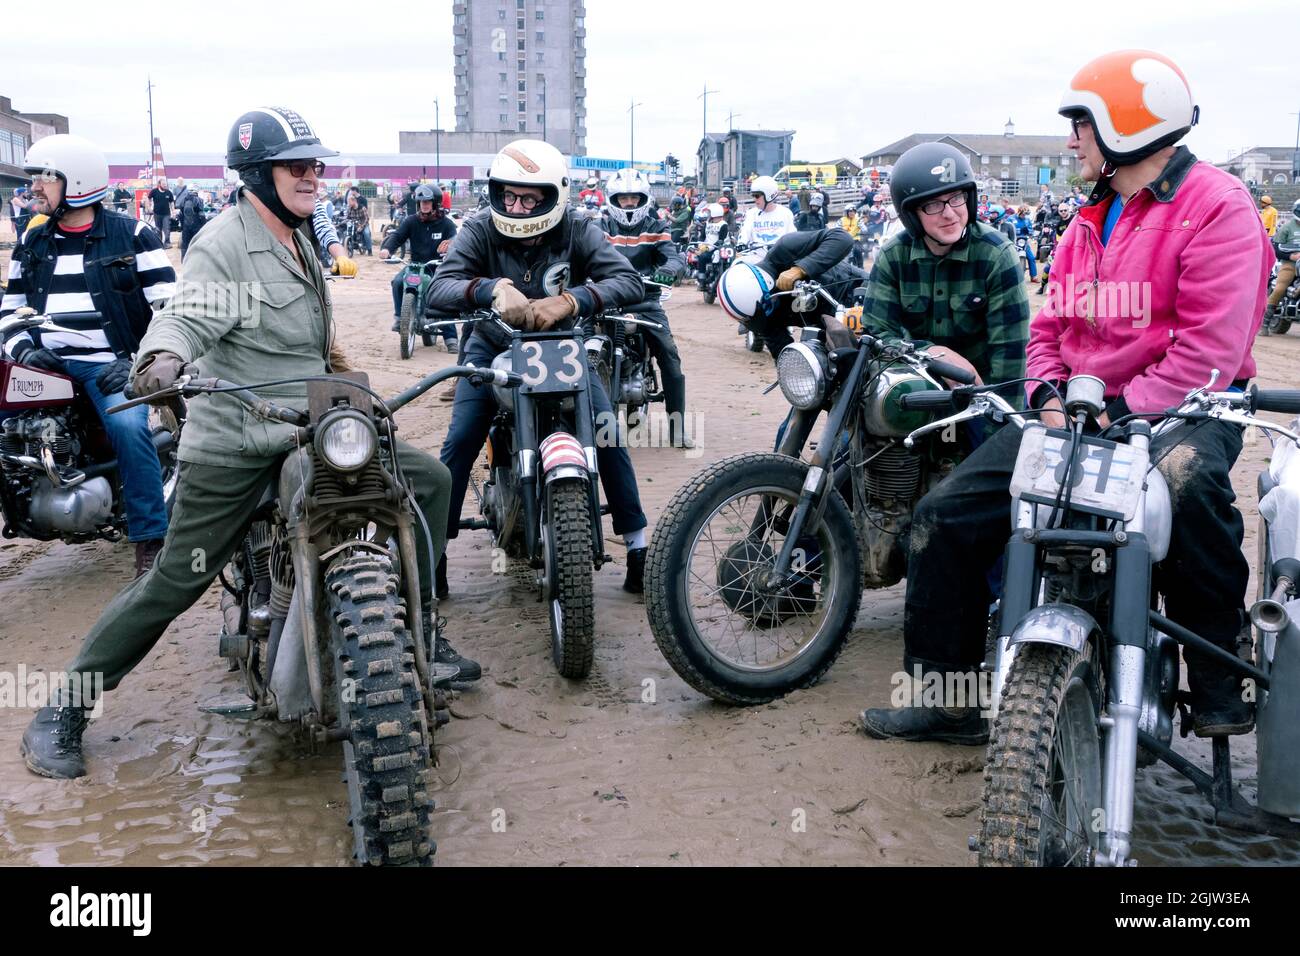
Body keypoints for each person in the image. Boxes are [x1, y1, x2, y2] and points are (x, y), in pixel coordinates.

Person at [17, 107, 464, 781]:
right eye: (298, 167)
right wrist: (162, 360)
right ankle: (64, 710)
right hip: (238, 439)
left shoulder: (298, 235)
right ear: (258, 175)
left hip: (311, 427)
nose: (314, 176)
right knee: (175, 579)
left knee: (427, 483)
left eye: (316, 165)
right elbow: (187, 313)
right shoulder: (227, 243)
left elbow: (312, 344)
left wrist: (353, 387)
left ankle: (421, 631)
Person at [860, 49, 1271, 744]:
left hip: (1186, 409)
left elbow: (1210, 351)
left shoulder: (1218, 208)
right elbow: (1048, 327)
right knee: (944, 517)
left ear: (1127, 125)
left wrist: (1121, 410)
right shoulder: (1089, 219)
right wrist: (1048, 394)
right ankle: (947, 696)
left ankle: (1216, 678)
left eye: (1081, 123)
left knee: (1189, 486)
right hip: (1076, 410)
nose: (1073, 139)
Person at [427, 139, 651, 599]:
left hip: (561, 347)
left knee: (606, 430)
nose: (516, 205)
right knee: (463, 435)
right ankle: (435, 552)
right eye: (508, 195)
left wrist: (574, 300)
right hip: (491, 348)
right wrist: (488, 289)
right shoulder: (479, 229)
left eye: (529, 197)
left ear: (553, 195)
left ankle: (637, 545)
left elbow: (628, 279)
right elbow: (439, 288)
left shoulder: (577, 229)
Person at [1, 132, 176, 577]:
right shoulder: (32, 242)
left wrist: (136, 359)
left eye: (45, 177)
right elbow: (10, 309)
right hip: (46, 365)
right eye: (34, 178)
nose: (34, 187)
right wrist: (24, 349)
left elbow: (171, 311)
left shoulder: (133, 234)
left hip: (110, 365)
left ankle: (150, 541)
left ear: (75, 182)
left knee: (128, 427)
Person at [600, 167, 691, 447]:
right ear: (612, 200)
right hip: (607, 300)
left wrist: (669, 270)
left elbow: (674, 258)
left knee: (670, 359)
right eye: (623, 198)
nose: (629, 204)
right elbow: (581, 253)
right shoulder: (599, 227)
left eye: (634, 198)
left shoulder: (656, 227)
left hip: (645, 300)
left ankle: (677, 429)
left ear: (644, 199)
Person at [718, 226, 864, 360]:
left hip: (856, 290)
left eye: (767, 305)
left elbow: (842, 238)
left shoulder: (784, 249)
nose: (769, 312)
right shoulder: (757, 315)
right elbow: (781, 349)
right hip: (826, 327)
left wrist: (800, 269)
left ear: (766, 286)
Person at [380, 183, 458, 347]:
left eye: (428, 202)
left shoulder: (446, 223)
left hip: (437, 266)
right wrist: (387, 248)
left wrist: (451, 243)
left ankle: (450, 337)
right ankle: (400, 317)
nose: (424, 205)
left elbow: (455, 238)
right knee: (398, 282)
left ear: (435, 203)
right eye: (421, 202)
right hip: (415, 265)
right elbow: (398, 236)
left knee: (444, 294)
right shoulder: (411, 221)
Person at [1263, 199, 1300, 333]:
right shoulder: (1287, 227)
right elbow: (1276, 249)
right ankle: (1265, 324)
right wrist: (1291, 256)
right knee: (1280, 288)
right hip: (1290, 265)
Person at [739, 175, 796, 249]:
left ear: (768, 195)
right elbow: (744, 234)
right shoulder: (751, 214)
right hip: (755, 256)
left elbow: (792, 237)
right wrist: (741, 243)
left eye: (757, 196)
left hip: (779, 256)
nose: (754, 199)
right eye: (753, 195)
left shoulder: (786, 213)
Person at [147, 177, 175, 246]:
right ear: (159, 184)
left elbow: (171, 202)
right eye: (163, 184)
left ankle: (167, 243)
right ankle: (159, 243)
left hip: (166, 214)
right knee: (158, 229)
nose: (165, 185)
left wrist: (173, 211)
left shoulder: (169, 192)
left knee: (167, 229)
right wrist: (148, 207)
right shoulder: (154, 191)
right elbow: (148, 199)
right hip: (157, 213)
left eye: (165, 184)